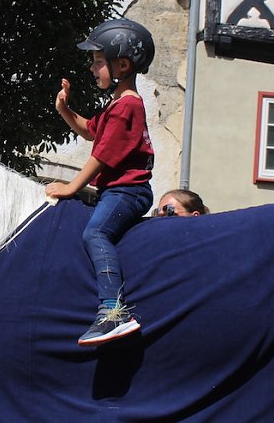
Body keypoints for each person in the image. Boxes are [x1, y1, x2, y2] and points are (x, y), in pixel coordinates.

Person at [45, 18, 156, 347]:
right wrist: (64, 109)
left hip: (128, 191)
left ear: (121, 64)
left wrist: (71, 187)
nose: (92, 69)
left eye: (97, 62)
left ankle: (113, 311)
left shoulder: (128, 107)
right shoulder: (116, 105)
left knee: (95, 232)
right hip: (117, 189)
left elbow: (102, 156)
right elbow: (90, 130)